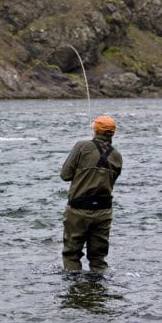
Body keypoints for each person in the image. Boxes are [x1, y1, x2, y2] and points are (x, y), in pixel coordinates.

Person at [60, 115, 122, 271]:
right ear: (112, 134)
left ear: (96, 130)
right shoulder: (117, 156)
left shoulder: (82, 146)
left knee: (71, 255)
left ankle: (74, 289)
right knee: (98, 258)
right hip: (103, 212)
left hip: (78, 210)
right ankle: (100, 290)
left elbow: (65, 175)